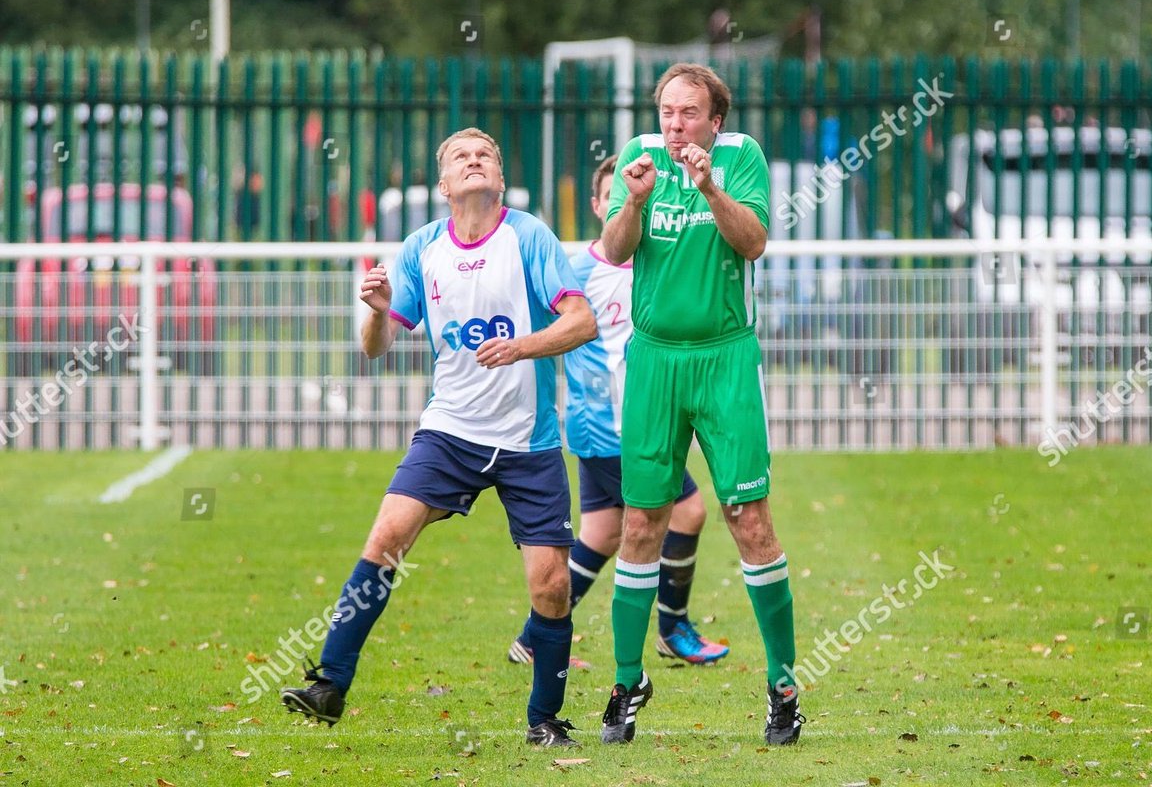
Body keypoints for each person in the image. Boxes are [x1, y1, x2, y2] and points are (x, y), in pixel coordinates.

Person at [281, 128, 598, 748]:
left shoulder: (528, 236)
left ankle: (545, 721)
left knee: (551, 586)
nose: (475, 160)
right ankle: (329, 683)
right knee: (387, 536)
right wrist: (374, 308)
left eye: (486, 155)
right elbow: (373, 350)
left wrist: (522, 346)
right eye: (461, 156)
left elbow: (581, 320)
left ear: (499, 179)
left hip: (528, 441)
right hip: (449, 431)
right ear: (445, 184)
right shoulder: (421, 247)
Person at [597, 64, 804, 746]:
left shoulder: (741, 157)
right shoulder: (639, 159)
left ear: (716, 119)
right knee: (642, 522)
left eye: (689, 112)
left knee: (748, 518)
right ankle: (629, 681)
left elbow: (753, 242)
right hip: (654, 360)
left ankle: (782, 687)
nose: (675, 124)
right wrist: (631, 202)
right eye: (666, 110)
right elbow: (614, 251)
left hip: (724, 359)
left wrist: (707, 186)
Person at [506, 155, 729, 669]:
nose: (625, 203)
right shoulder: (579, 270)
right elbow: (544, 325)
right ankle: (673, 629)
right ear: (597, 204)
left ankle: (533, 640)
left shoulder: (654, 263)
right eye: (611, 195)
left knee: (603, 532)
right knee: (689, 511)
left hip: (625, 426)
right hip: (610, 428)